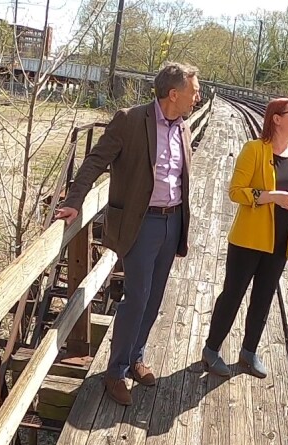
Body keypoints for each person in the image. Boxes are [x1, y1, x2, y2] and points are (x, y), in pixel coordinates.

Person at [54, 62, 202, 406]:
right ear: (174, 93)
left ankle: (136, 357)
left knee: (155, 297)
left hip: (173, 220)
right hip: (142, 223)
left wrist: (181, 222)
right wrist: (74, 201)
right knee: (136, 297)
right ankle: (115, 372)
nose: (198, 97)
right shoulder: (131, 119)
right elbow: (95, 161)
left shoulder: (183, 127)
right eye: (194, 91)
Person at [201, 98, 288, 379]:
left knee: (263, 299)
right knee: (233, 295)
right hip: (247, 241)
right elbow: (236, 191)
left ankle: (249, 352)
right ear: (276, 119)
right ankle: (211, 349)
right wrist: (271, 197)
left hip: (280, 242)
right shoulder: (254, 150)